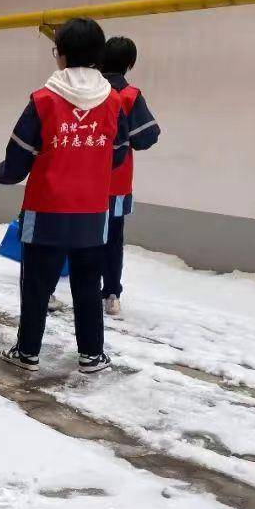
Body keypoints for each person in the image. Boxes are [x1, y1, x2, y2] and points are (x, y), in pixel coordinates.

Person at [0, 18, 130, 375]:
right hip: (93, 214)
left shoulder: (43, 100)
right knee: (88, 284)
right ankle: (91, 356)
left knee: (37, 285)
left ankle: (27, 353)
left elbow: (17, 161)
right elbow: (117, 154)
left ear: (62, 55)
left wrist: (1, 173)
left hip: (45, 212)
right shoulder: (113, 102)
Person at [100, 36, 161, 316]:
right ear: (130, 64)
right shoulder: (130, 96)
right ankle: (111, 293)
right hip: (116, 181)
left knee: (72, 232)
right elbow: (147, 137)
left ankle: (52, 288)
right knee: (113, 238)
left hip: (79, 179)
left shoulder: (87, 93)